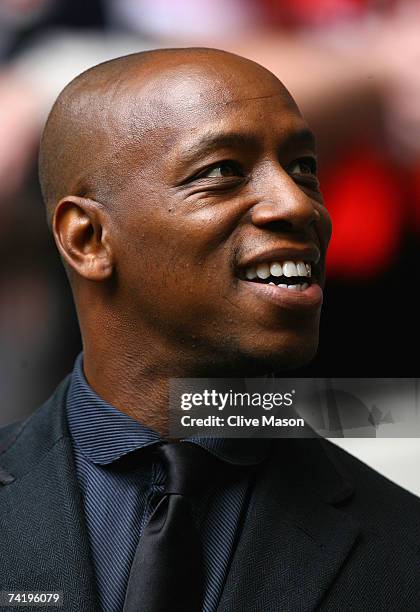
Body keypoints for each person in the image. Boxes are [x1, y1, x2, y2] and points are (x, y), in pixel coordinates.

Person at [0, 48, 419, 612]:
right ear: (87, 239)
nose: (298, 204)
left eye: (304, 168)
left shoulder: (403, 545)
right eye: (222, 171)